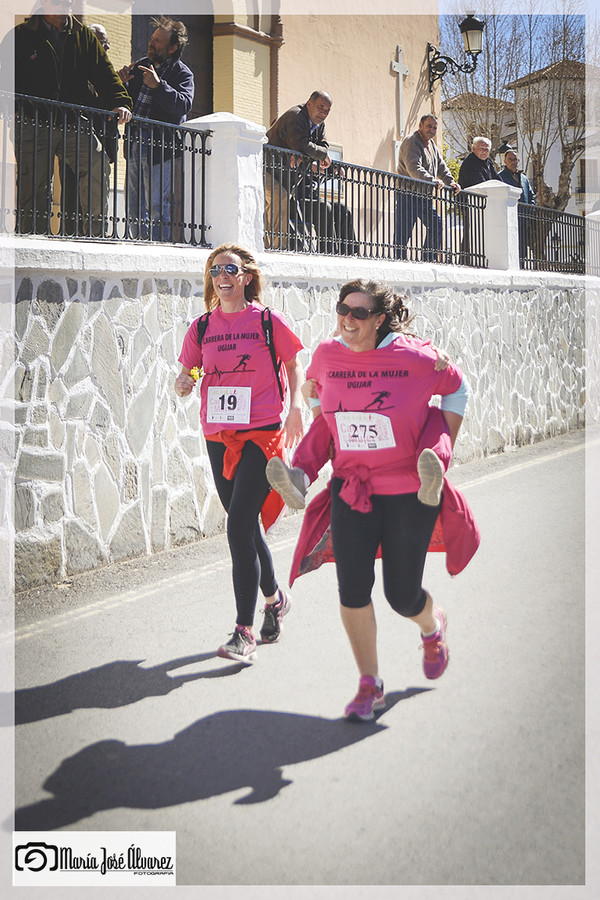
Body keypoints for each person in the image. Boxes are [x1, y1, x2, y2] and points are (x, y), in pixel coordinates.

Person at [270, 279, 474, 721]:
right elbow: (318, 389)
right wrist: (311, 394)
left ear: (380, 319)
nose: (347, 318)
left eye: (358, 313)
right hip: (351, 489)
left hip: (409, 491)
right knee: (353, 588)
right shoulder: (327, 353)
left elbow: (456, 387)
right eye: (342, 309)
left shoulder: (417, 357)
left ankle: (431, 625)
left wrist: (447, 442)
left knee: (401, 594)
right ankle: (370, 684)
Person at [174, 243, 304, 665]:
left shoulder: (266, 320)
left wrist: (298, 409)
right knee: (247, 528)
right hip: (217, 434)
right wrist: (187, 379)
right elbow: (196, 365)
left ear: (246, 276)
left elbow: (293, 362)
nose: (222, 277)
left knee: (238, 526)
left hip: (261, 434)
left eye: (230, 269)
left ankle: (243, 632)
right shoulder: (202, 326)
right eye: (215, 270)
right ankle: (275, 600)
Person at [13, 0, 132, 236]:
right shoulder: (21, 36)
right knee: (34, 187)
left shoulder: (84, 37)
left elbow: (105, 73)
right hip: (32, 122)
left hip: (73, 121)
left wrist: (120, 101)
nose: (66, 4)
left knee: (97, 160)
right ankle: (33, 240)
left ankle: (96, 236)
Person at [119, 16, 195, 241]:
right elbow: (128, 101)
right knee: (132, 204)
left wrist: (159, 86)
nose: (151, 43)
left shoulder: (183, 74)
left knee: (155, 205)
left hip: (159, 150)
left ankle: (156, 246)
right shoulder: (142, 63)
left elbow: (183, 105)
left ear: (172, 48)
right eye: (152, 39)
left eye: (158, 41)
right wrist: (121, 83)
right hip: (133, 142)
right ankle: (135, 245)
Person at [265, 90, 356, 254]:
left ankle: (347, 252)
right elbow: (302, 145)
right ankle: (281, 247)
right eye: (320, 107)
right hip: (271, 171)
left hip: (292, 185)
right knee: (317, 207)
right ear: (309, 104)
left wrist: (320, 161)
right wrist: (311, 155)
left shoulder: (318, 126)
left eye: (327, 110)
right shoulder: (295, 117)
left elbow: (323, 146)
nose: (323, 113)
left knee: (342, 209)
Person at [396, 114, 460, 262]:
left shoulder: (431, 145)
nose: (432, 130)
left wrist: (451, 182)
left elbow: (442, 167)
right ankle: (399, 262)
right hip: (407, 193)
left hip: (423, 195)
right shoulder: (412, 141)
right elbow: (413, 168)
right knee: (403, 233)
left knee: (436, 224)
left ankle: (428, 259)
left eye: (435, 128)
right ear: (420, 126)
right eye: (429, 126)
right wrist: (432, 180)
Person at [457, 136, 500, 262]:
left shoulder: (488, 162)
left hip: (485, 205)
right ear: (473, 148)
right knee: (471, 233)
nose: (484, 152)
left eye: (487, 149)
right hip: (470, 205)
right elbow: (480, 183)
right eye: (481, 149)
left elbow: (497, 180)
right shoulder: (470, 162)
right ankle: (466, 261)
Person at [498, 149, 536, 263]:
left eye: (515, 160)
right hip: (509, 220)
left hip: (524, 221)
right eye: (510, 159)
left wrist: (530, 211)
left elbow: (530, 196)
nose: (513, 162)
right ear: (505, 161)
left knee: (523, 250)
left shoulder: (523, 178)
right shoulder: (500, 177)